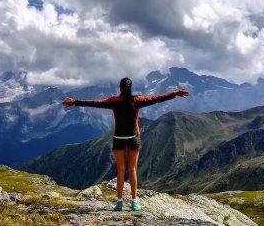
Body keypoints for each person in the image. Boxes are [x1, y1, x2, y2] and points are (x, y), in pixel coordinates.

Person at [62, 77, 189, 211]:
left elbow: (95, 103)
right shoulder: (137, 100)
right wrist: (175, 94)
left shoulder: (114, 101)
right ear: (131, 87)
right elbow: (156, 99)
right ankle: (134, 202)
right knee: (133, 169)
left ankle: (119, 202)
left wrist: (75, 102)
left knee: (120, 170)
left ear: (120, 88)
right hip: (133, 137)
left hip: (119, 138)